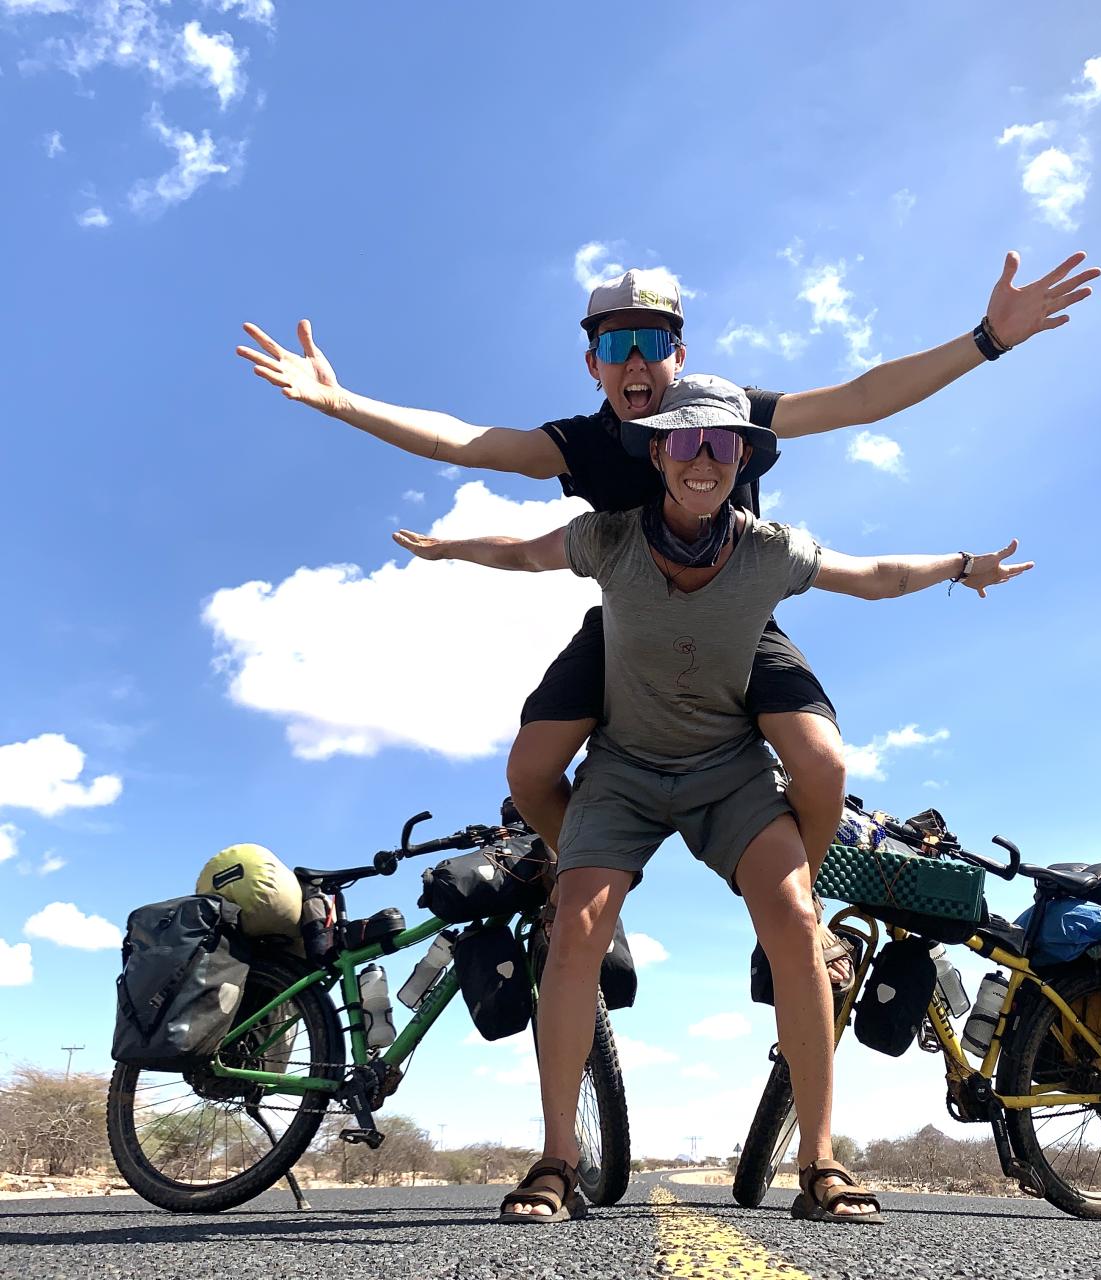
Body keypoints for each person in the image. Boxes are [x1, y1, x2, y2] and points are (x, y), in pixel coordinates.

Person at [236, 253, 1096, 988]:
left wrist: (988, 340)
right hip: (626, 630)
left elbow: (865, 398)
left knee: (821, 759)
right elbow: (462, 441)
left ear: (679, 356)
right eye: (618, 345)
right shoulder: (582, 442)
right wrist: (339, 401)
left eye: (654, 344)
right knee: (531, 769)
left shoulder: (729, 413)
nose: (637, 361)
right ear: (594, 364)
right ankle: (579, 880)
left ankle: (798, 912)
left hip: (738, 622)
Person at [392, 374, 1033, 1223]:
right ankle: (557, 1159)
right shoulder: (610, 538)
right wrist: (452, 549)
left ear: (743, 458)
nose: (703, 460)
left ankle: (821, 1162)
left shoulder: (769, 549)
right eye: (685, 442)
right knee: (576, 927)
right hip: (621, 769)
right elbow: (524, 553)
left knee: (797, 925)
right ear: (657, 453)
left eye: (722, 444)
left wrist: (962, 566)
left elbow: (875, 574)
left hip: (729, 770)